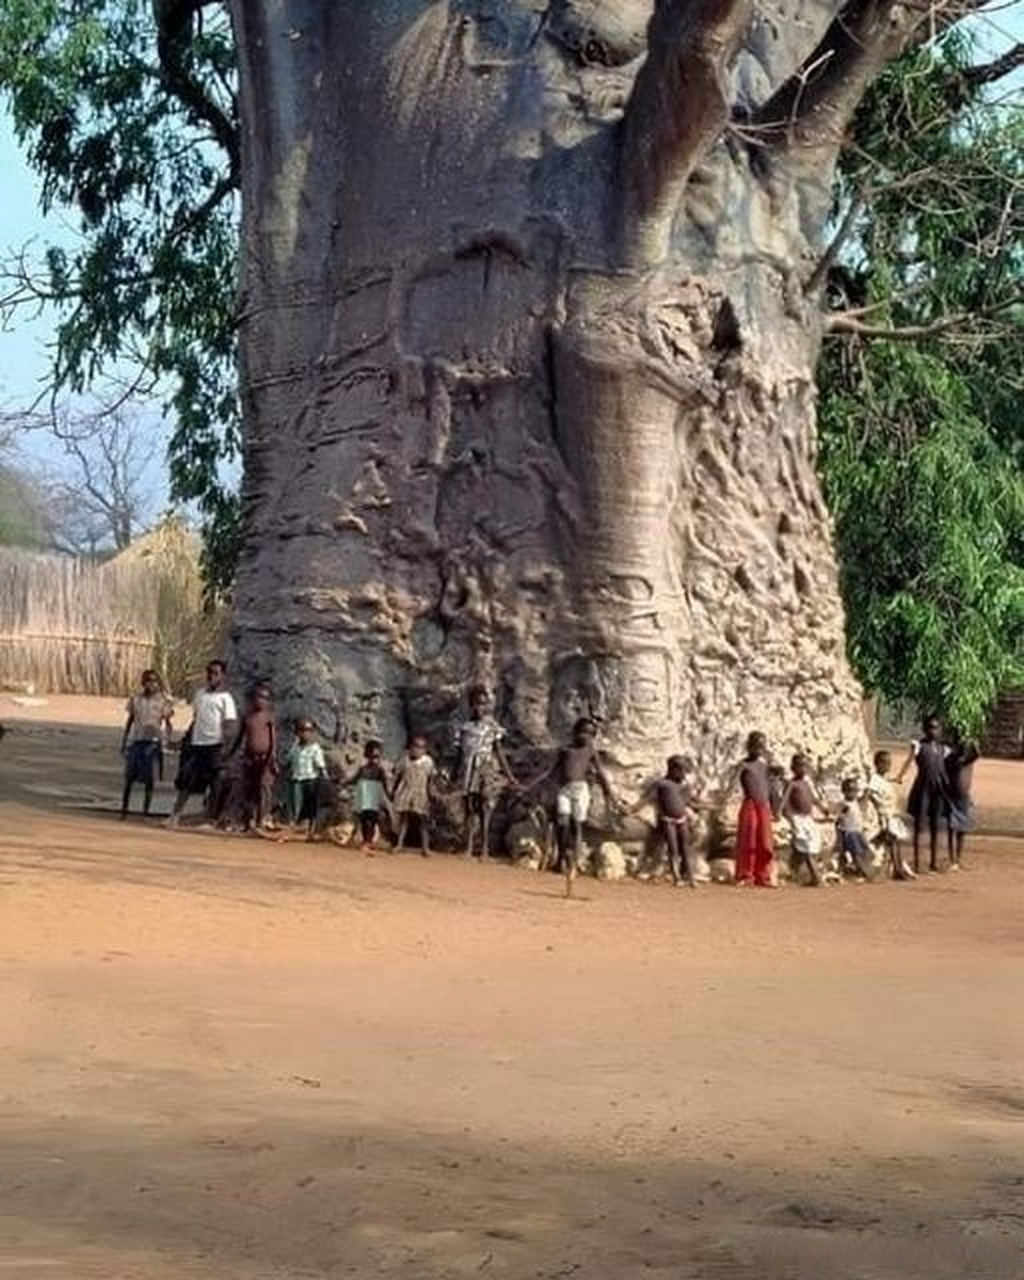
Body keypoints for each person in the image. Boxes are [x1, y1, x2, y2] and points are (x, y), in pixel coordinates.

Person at [528, 717, 616, 897]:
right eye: (583, 732)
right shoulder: (565, 750)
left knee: (576, 825)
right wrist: (531, 785)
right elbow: (550, 771)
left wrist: (610, 793)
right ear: (575, 733)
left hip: (580, 790)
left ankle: (574, 860)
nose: (586, 736)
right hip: (564, 791)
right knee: (562, 823)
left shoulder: (590, 752)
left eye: (590, 734)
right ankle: (561, 857)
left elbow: (600, 773)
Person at [167, 660, 238, 829]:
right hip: (197, 744)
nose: (211, 676)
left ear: (223, 676)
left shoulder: (226, 698)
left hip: (215, 744)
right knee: (187, 780)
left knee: (215, 783)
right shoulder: (200, 695)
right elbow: (195, 719)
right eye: (209, 672)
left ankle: (210, 820)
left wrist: (225, 747)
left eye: (215, 673)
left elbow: (230, 724)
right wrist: (186, 739)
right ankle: (175, 815)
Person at [453, 684, 518, 859]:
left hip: (485, 769)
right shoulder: (465, 728)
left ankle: (484, 849)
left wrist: (509, 775)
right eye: (475, 704)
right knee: (469, 808)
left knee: (485, 808)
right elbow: (459, 754)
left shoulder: (491, 727)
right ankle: (468, 847)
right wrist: (453, 775)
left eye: (482, 704)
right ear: (470, 705)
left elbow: (499, 752)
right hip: (468, 769)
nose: (479, 707)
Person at [896, 715, 952, 874]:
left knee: (936, 825)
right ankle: (919, 861)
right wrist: (900, 776)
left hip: (939, 789)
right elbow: (909, 761)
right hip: (923, 789)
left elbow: (950, 767)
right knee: (920, 826)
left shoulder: (944, 749)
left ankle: (934, 862)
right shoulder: (919, 745)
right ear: (924, 729)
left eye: (936, 728)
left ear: (941, 730)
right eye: (930, 728)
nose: (933, 731)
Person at [120, 669, 173, 819]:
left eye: (155, 681)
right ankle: (124, 810)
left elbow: (168, 723)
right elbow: (130, 720)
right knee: (129, 777)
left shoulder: (163, 701)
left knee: (149, 778)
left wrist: (167, 739)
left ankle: (145, 811)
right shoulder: (135, 699)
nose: (152, 684)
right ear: (143, 683)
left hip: (152, 742)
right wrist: (124, 741)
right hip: (137, 740)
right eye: (148, 680)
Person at [731, 731, 776, 888]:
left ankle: (763, 875)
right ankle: (745, 875)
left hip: (763, 806)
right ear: (749, 747)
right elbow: (731, 786)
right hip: (750, 804)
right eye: (756, 746)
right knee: (748, 840)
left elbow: (770, 787)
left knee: (765, 842)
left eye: (761, 747)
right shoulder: (743, 765)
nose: (759, 749)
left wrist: (775, 808)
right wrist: (723, 801)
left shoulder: (764, 766)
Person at [233, 683, 278, 832]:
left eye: (264, 698)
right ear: (252, 700)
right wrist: (232, 753)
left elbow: (273, 739)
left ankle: (262, 819)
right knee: (248, 789)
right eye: (257, 698)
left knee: (264, 789)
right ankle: (248, 820)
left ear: (268, 701)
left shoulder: (269, 717)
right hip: (249, 758)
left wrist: (272, 758)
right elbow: (240, 737)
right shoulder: (248, 717)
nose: (260, 701)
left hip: (265, 758)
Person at [781, 753, 831, 887]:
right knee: (806, 847)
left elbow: (813, 799)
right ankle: (817, 878)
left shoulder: (806, 784)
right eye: (800, 766)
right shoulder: (792, 784)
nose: (803, 769)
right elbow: (784, 802)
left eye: (805, 766)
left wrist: (823, 808)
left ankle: (795, 874)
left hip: (808, 819)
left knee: (812, 847)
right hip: (797, 818)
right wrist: (783, 815)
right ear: (793, 768)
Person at [864, 750, 913, 880]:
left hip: (891, 814)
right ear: (877, 764)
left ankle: (897, 867)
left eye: (889, 763)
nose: (887, 766)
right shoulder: (874, 781)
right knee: (892, 841)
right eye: (884, 763)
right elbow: (869, 796)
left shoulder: (884, 780)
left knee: (895, 842)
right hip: (883, 815)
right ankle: (897, 869)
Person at [391, 734, 437, 856]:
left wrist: (431, 793)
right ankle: (399, 844)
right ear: (410, 747)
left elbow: (430, 779)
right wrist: (393, 790)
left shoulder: (428, 762)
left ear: (425, 750)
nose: (417, 750)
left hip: (421, 794)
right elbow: (398, 776)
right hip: (407, 791)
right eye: (415, 746)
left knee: (423, 821)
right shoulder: (404, 759)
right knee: (404, 819)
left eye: (421, 747)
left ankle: (425, 847)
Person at [285, 718, 327, 839]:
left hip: (310, 780)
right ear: (297, 733)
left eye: (307, 731)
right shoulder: (295, 747)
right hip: (297, 779)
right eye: (301, 731)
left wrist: (324, 779)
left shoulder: (315, 749)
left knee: (310, 806)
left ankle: (310, 830)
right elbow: (288, 760)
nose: (304, 734)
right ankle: (296, 827)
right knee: (296, 805)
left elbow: (320, 766)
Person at [946, 732, 980, 871]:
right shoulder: (951, 760)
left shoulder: (967, 760)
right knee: (952, 828)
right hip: (951, 796)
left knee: (962, 830)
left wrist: (972, 740)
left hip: (963, 797)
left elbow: (976, 753)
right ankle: (952, 859)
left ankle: (958, 859)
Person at [349, 740, 391, 853]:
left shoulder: (380, 771)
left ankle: (368, 841)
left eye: (377, 757)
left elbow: (385, 783)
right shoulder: (363, 769)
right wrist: (343, 782)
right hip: (364, 798)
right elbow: (354, 779)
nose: (375, 760)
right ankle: (366, 841)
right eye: (372, 756)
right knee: (364, 820)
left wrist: (389, 795)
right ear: (366, 756)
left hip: (374, 798)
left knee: (372, 820)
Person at [835, 777, 875, 881]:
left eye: (855, 791)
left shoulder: (855, 802)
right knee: (856, 854)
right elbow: (838, 820)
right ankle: (865, 873)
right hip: (850, 833)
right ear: (844, 792)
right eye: (850, 791)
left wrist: (867, 792)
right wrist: (839, 836)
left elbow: (863, 801)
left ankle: (854, 870)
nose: (853, 793)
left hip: (858, 832)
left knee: (866, 851)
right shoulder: (845, 805)